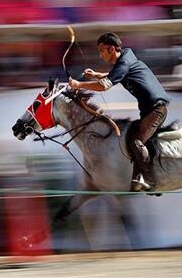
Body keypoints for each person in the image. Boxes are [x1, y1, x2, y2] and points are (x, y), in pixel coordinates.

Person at [69, 32, 171, 192]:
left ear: (110, 49)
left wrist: (78, 85)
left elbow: (104, 85)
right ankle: (139, 179)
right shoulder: (125, 60)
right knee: (131, 140)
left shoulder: (124, 63)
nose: (100, 55)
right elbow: (116, 76)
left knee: (136, 142)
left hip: (156, 110)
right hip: (149, 111)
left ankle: (151, 182)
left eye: (102, 51)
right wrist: (96, 75)